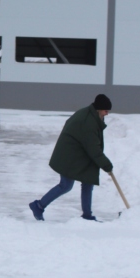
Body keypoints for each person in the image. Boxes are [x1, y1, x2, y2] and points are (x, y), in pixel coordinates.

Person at [29, 94, 114, 222]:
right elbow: (93, 148)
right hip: (69, 155)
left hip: (79, 153)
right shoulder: (89, 121)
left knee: (88, 181)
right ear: (98, 109)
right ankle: (38, 206)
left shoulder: (91, 115)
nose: (107, 113)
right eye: (105, 111)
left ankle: (87, 215)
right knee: (66, 185)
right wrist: (106, 165)